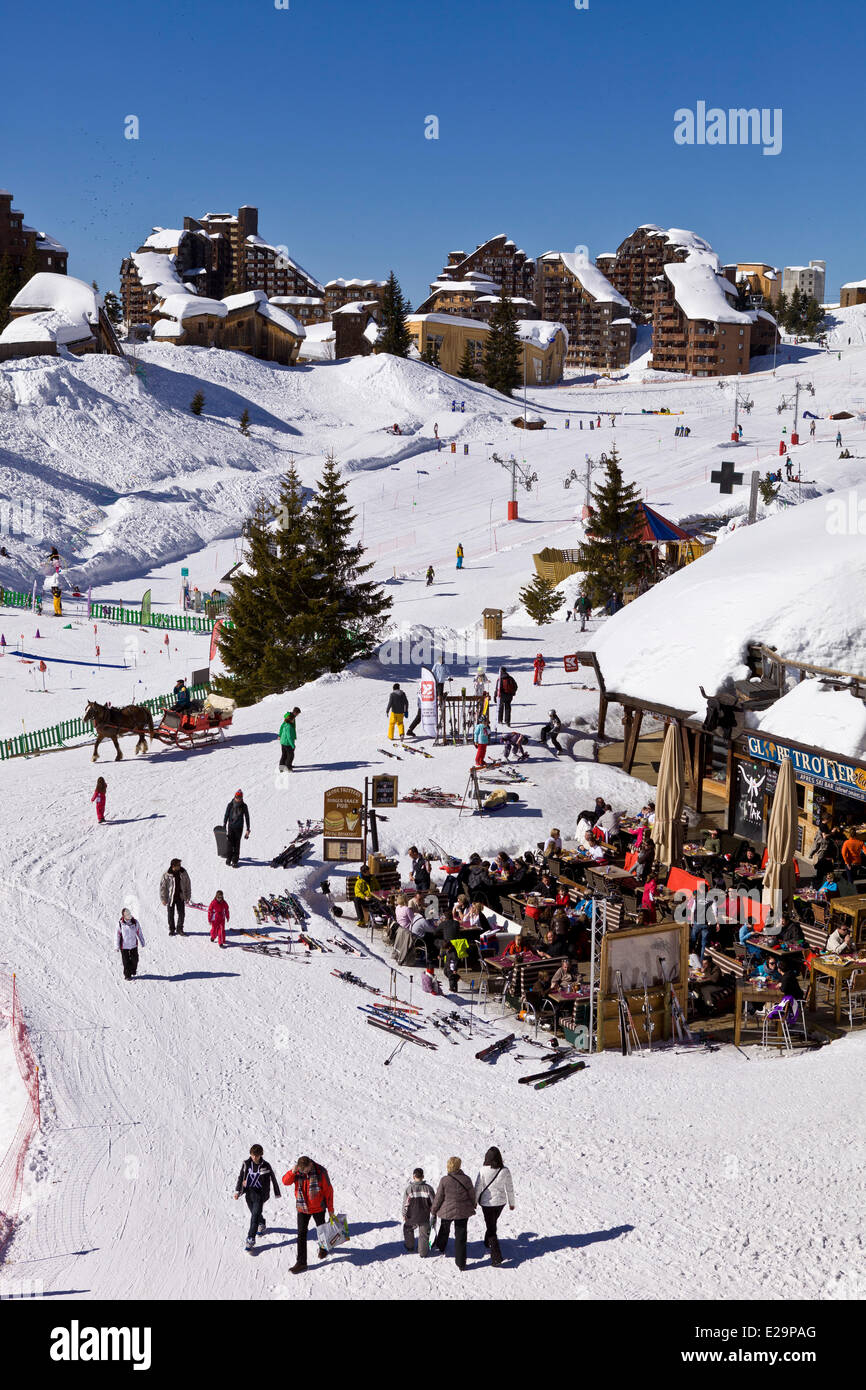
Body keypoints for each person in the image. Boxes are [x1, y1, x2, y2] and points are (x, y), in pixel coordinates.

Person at [282, 1156, 335, 1273]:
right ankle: (301, 1263)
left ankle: (323, 1248)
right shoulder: (297, 1172)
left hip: (318, 1208)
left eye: (306, 1170)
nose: (305, 1172)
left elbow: (329, 1191)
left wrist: (331, 1209)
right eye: (303, 1171)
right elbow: (285, 1182)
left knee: (322, 1230)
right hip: (303, 1208)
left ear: (310, 1164)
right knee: (301, 1234)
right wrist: (292, 1172)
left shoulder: (321, 1172)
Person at [431, 1157, 476, 1269]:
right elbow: (472, 1194)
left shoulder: (445, 1180)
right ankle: (461, 1263)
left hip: (447, 1209)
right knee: (461, 1236)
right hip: (463, 1211)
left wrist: (434, 1210)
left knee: (444, 1228)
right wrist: (473, 1204)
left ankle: (441, 1246)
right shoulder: (466, 1179)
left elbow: (439, 1197)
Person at [234, 1144, 281, 1251]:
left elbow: (272, 1178)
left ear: (261, 1154)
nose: (254, 1157)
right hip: (249, 1193)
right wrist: (238, 1191)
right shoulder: (246, 1164)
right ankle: (262, 1223)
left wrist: (276, 1192)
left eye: (256, 1155)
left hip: (260, 1194)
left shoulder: (266, 1165)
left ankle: (250, 1238)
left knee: (254, 1216)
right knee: (255, 1213)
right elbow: (241, 1177)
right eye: (252, 1155)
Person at [474, 1147, 515, 1268]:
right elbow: (510, 1188)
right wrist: (511, 1203)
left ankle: (496, 1256)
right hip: (501, 1203)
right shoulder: (505, 1170)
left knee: (491, 1229)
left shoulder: (482, 1170)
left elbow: (477, 1188)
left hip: (487, 1204)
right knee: (492, 1222)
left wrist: (474, 1201)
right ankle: (487, 1242)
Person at [402, 1168, 436, 1256]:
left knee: (408, 1228)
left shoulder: (409, 1189)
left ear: (414, 1176)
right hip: (424, 1216)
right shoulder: (428, 1188)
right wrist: (434, 1213)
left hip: (411, 1216)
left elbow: (406, 1203)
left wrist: (404, 1214)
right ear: (423, 1176)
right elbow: (434, 1202)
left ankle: (410, 1246)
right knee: (424, 1234)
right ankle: (423, 1253)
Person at [159, 857, 191, 935]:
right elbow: (163, 887)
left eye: (180, 864)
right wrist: (163, 899)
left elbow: (188, 884)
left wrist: (188, 896)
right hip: (171, 898)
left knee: (181, 914)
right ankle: (172, 929)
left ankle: (179, 929)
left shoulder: (183, 872)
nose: (180, 866)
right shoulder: (166, 874)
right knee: (170, 914)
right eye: (178, 865)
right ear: (173, 866)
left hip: (180, 896)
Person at [223, 790, 250, 868]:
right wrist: (224, 825)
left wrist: (248, 829)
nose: (237, 798)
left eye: (239, 797)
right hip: (231, 826)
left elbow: (247, 817)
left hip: (239, 828)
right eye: (236, 797)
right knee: (230, 843)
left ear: (241, 798)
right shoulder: (230, 805)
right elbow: (226, 815)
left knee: (237, 844)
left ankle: (235, 861)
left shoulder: (244, 806)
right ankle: (229, 858)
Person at [116, 907, 145, 981]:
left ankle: (132, 969)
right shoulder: (120, 924)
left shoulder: (135, 922)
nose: (129, 917)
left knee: (135, 959)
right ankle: (127, 975)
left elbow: (139, 932)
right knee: (126, 961)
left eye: (129, 914)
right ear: (124, 916)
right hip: (124, 946)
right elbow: (117, 935)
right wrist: (117, 946)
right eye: (127, 915)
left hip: (133, 945)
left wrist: (142, 941)